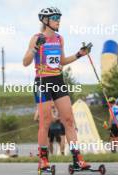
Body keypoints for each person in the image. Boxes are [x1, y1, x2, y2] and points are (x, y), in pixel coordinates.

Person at [23, 7, 91, 170]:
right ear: (45, 21)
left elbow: (61, 61)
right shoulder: (36, 38)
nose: (58, 20)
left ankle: (77, 159)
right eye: (55, 18)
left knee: (68, 120)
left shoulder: (60, 39)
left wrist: (79, 54)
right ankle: (43, 160)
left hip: (58, 80)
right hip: (43, 82)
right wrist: (35, 49)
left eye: (59, 17)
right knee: (45, 122)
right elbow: (25, 62)